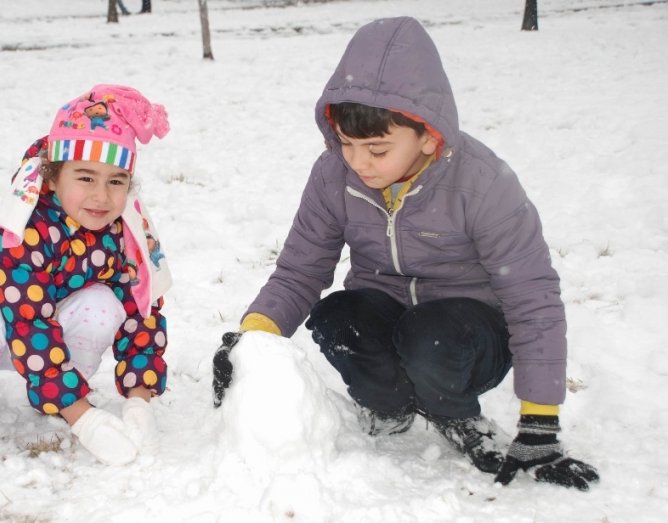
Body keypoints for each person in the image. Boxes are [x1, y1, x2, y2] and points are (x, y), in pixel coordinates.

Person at [212, 18, 599, 490]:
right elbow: (299, 269)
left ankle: (454, 414)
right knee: (338, 315)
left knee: (429, 338)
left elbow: (531, 295)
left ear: (429, 136)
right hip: (386, 307)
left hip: (469, 331)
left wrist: (540, 422)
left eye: (377, 148)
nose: (359, 162)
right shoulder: (335, 175)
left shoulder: (481, 183)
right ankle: (388, 403)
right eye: (348, 144)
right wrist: (253, 338)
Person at [0, 84, 172, 467]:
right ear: (52, 178)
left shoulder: (124, 231)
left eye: (115, 181)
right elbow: (28, 321)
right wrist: (83, 419)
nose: (101, 197)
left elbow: (141, 309)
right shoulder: (22, 229)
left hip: (51, 325)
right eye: (85, 178)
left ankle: (64, 393)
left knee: (104, 305)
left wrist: (140, 400)